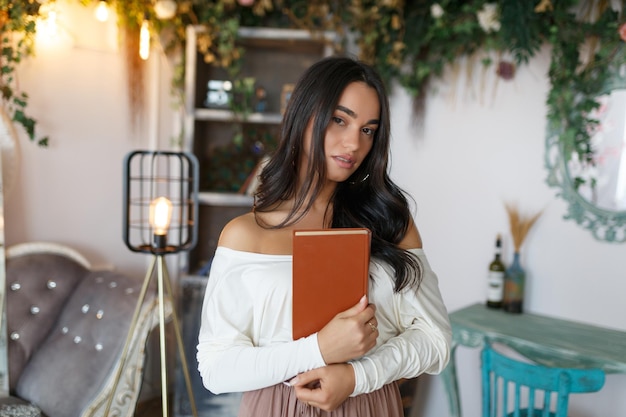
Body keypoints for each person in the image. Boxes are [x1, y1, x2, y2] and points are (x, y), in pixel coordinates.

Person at [196, 56, 451, 417]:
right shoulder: (245, 235)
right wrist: (318, 349)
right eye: (339, 120)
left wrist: (357, 376)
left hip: (371, 403)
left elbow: (435, 340)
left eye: (368, 130)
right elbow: (216, 369)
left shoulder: (392, 223)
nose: (353, 143)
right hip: (276, 407)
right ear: (303, 116)